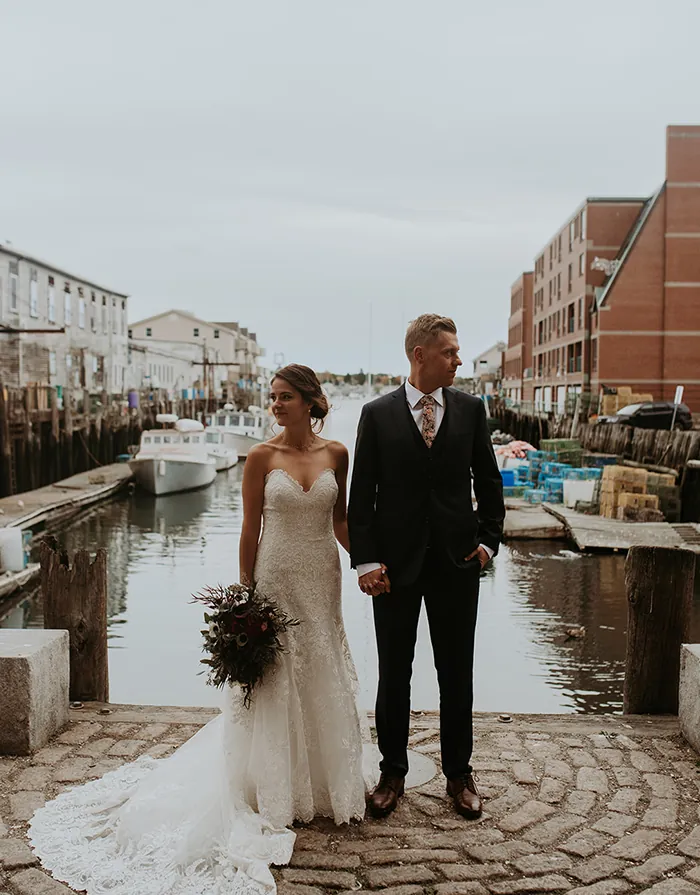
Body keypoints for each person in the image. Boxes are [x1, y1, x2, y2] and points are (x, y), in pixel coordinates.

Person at [29, 364, 366, 895]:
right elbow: (249, 527)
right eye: (272, 397)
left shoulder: (337, 455)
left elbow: (341, 521)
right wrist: (245, 598)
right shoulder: (260, 457)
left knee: (321, 664)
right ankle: (275, 789)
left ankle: (322, 785)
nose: (276, 405)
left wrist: (368, 563)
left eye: (285, 397)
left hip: (322, 576)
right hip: (274, 575)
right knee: (276, 675)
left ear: (309, 401)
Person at [348, 314, 505, 821]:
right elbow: (361, 497)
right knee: (394, 673)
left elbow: (490, 481)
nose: (459, 359)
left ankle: (460, 775)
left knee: (456, 672)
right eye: (450, 352)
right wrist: (367, 561)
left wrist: (487, 544)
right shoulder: (377, 414)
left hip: (458, 564)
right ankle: (392, 772)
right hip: (395, 568)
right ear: (419, 354)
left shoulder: (471, 409)